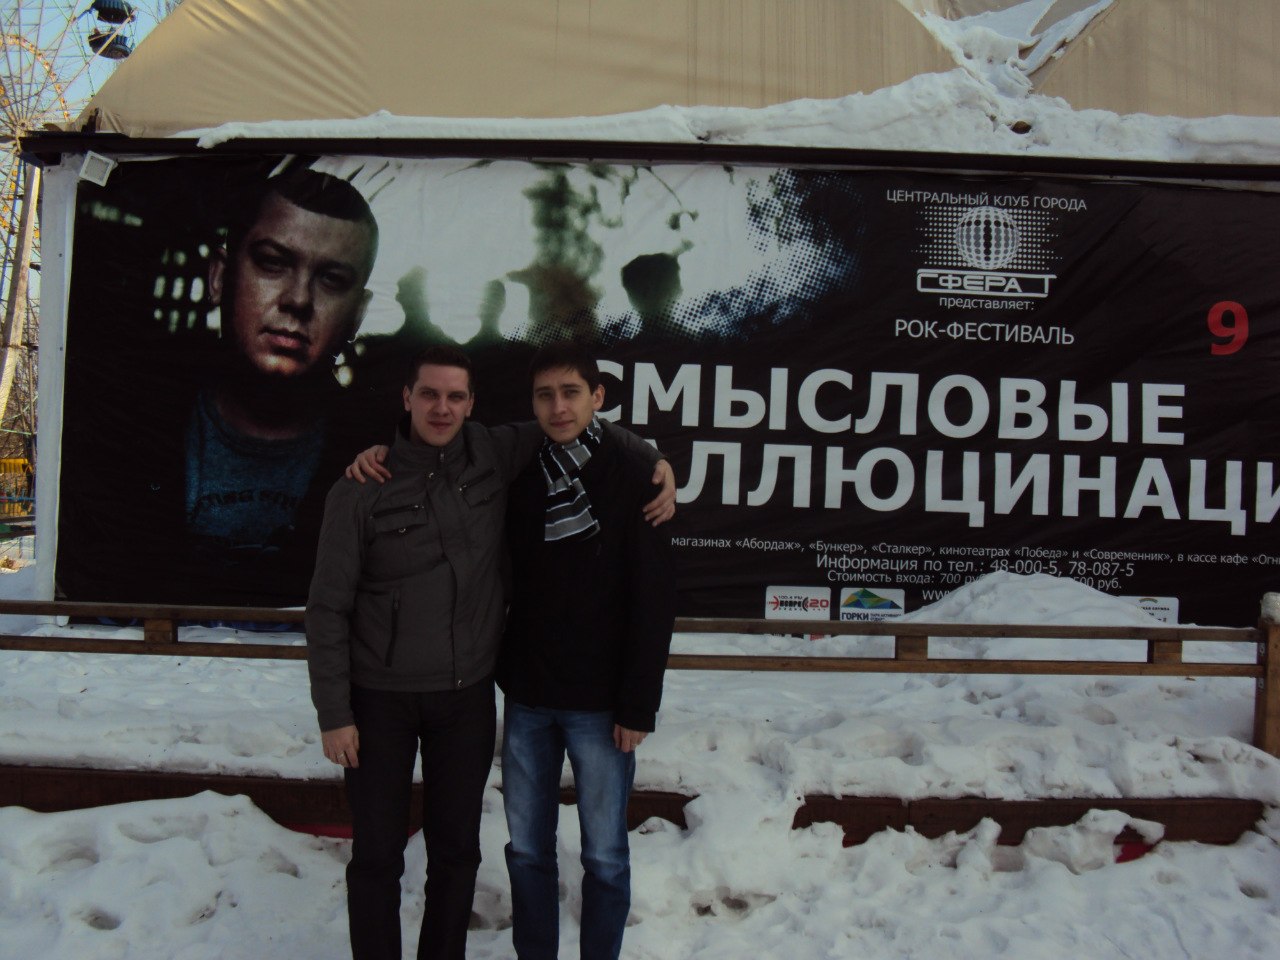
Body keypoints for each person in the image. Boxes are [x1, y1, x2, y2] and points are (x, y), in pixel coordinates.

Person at [307, 345, 675, 960]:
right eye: (429, 394)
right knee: (378, 855)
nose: (442, 408)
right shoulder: (362, 488)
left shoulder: (494, 453)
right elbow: (326, 609)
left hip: (469, 699)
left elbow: (583, 428)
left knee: (462, 853)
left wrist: (656, 460)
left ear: (472, 404)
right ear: (406, 397)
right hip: (383, 699)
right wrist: (334, 712)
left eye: (455, 396)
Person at [497, 341, 676, 960]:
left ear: (597, 397)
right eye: (545, 395)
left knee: (604, 854)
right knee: (526, 850)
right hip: (529, 696)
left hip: (602, 705)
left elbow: (653, 600)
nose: (558, 407)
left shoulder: (635, 474)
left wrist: (638, 704)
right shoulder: (518, 470)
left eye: (571, 392)